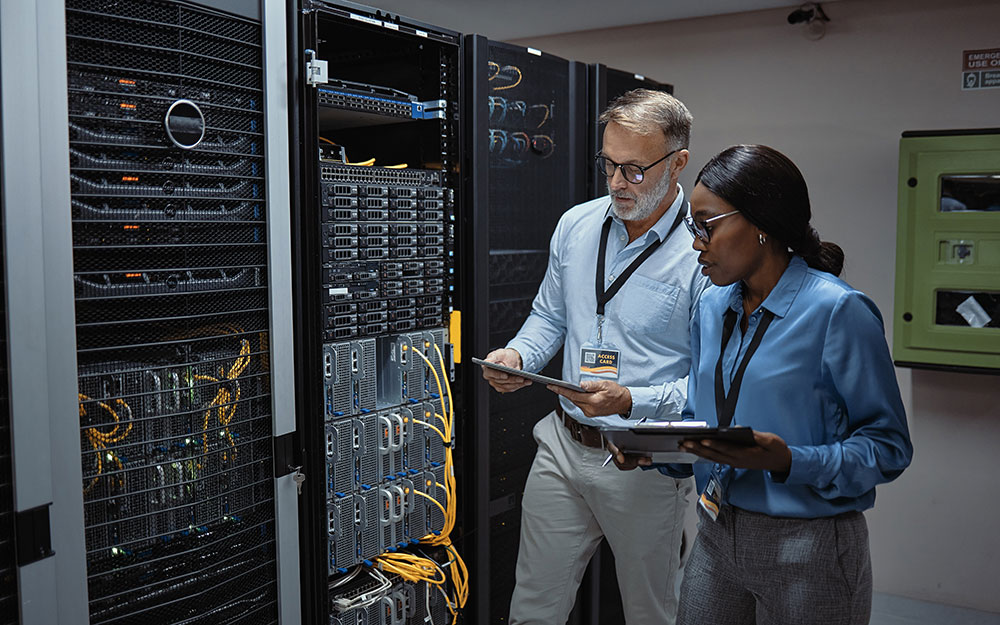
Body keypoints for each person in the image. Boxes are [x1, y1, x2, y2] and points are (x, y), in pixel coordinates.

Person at [611, 144, 913, 625]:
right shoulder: (712, 307)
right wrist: (658, 451)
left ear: (762, 224)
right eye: (693, 226)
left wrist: (789, 461)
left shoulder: (838, 312)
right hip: (716, 531)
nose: (696, 243)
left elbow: (889, 448)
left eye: (707, 226)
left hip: (808, 545)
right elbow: (705, 424)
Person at [480, 89, 709, 625]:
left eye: (633, 170)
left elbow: (709, 381)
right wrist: (518, 354)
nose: (615, 183)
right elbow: (550, 317)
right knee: (532, 607)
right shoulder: (576, 225)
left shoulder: (703, 253)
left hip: (644, 457)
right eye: (608, 164)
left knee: (653, 612)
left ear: (677, 162)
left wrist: (630, 399)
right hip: (563, 444)